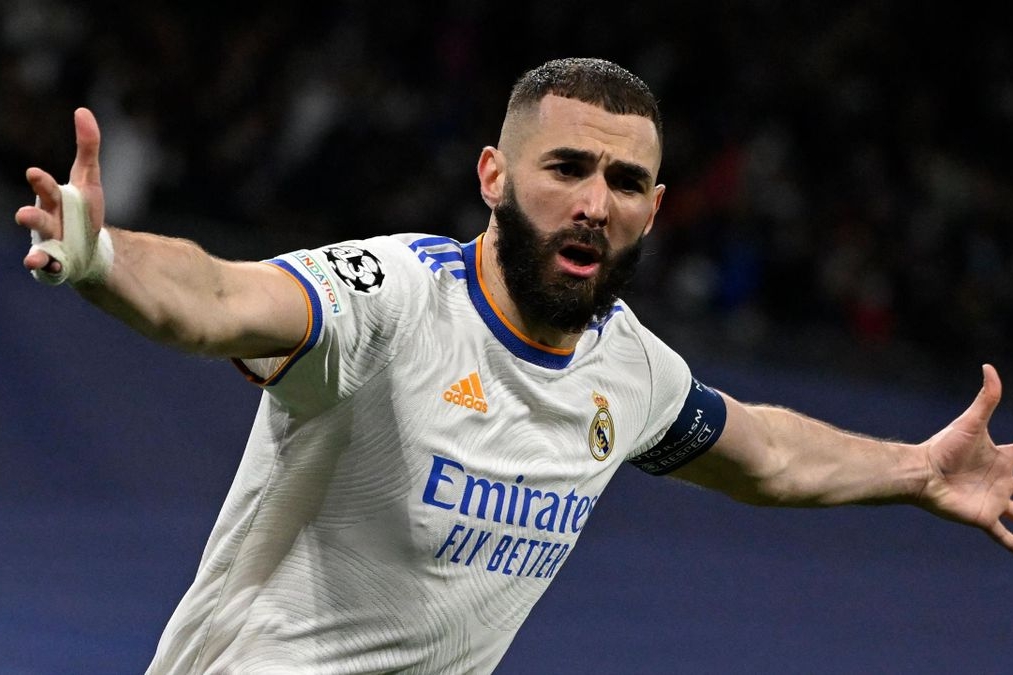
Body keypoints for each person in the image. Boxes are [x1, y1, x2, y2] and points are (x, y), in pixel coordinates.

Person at [14, 57, 1013, 674]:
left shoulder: (629, 370)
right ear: (493, 175)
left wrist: (919, 469)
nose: (594, 203)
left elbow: (768, 455)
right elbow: (221, 299)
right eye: (566, 167)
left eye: (624, 181)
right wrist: (107, 259)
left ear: (655, 207)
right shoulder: (394, 297)